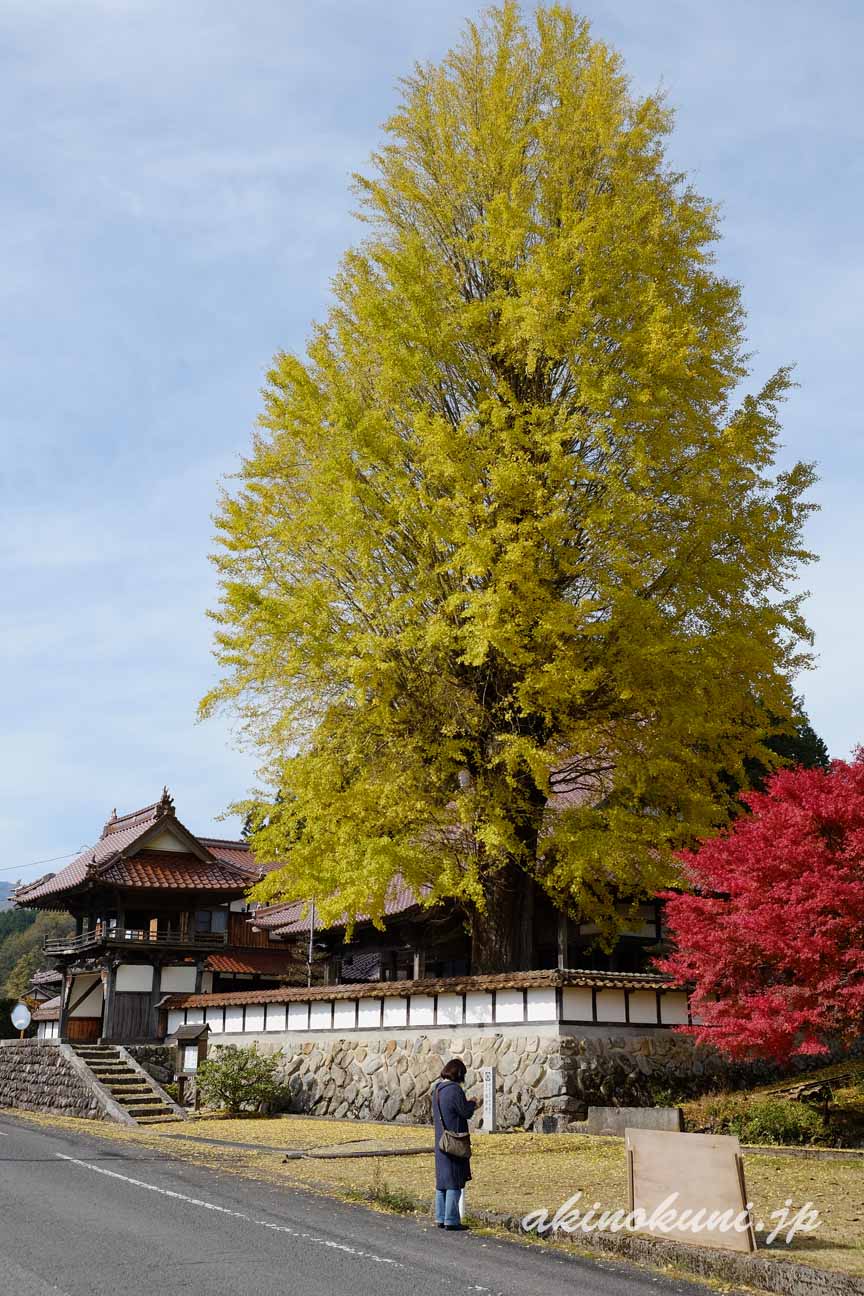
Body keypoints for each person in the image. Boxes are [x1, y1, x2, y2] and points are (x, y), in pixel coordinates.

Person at [432, 1057, 477, 1231]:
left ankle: (440, 1217)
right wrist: (473, 1103)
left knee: (442, 1180)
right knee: (454, 1180)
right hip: (454, 1141)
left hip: (440, 1140)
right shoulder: (454, 1090)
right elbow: (465, 1112)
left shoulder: (437, 1090)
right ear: (458, 1074)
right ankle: (451, 1219)